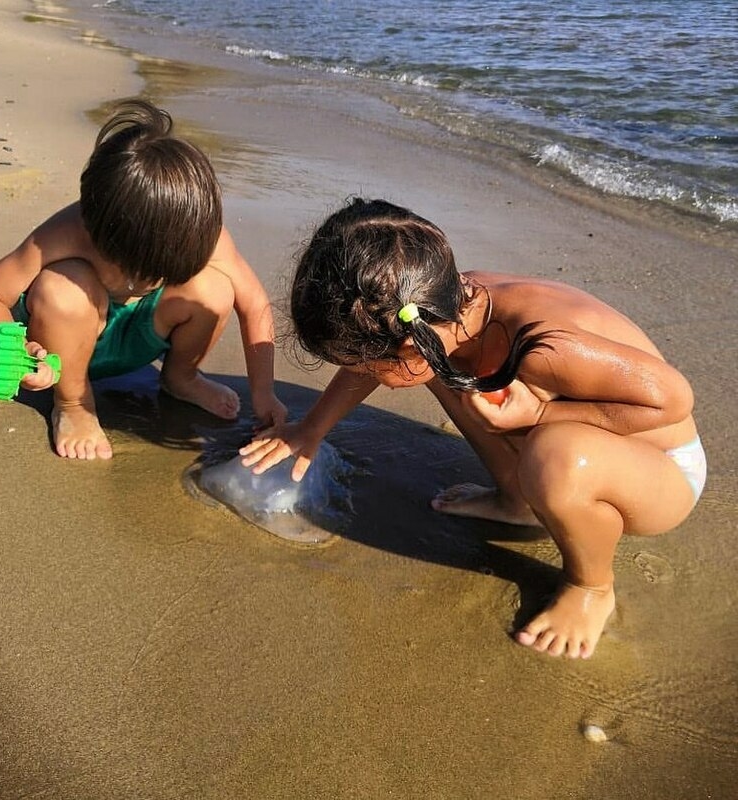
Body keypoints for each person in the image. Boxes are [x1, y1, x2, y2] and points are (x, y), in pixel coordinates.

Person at [240, 198, 705, 660]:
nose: (361, 374)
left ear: (410, 347)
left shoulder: (544, 348)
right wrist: (311, 429)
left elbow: (673, 401)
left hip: (661, 472)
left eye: (365, 366)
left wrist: (540, 417)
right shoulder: (435, 307)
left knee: (556, 454)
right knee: (448, 370)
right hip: (581, 439)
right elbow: (387, 357)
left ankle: (592, 586)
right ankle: (517, 499)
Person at [0, 99, 286, 460]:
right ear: (103, 232)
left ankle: (181, 378)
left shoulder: (195, 231)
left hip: (141, 336)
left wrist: (263, 392)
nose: (152, 281)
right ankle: (73, 404)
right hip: (65, 348)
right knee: (62, 288)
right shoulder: (68, 232)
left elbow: (254, 302)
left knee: (216, 289)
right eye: (148, 271)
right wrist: (19, 352)